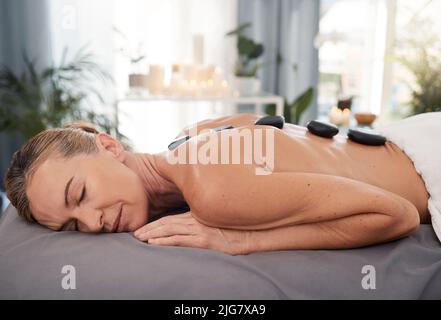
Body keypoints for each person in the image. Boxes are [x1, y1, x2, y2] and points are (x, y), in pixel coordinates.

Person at [4, 113, 432, 255]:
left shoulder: (212, 193)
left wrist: (239, 240)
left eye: (79, 196)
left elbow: (397, 215)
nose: (92, 223)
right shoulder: (190, 136)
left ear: (110, 146)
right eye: (73, 227)